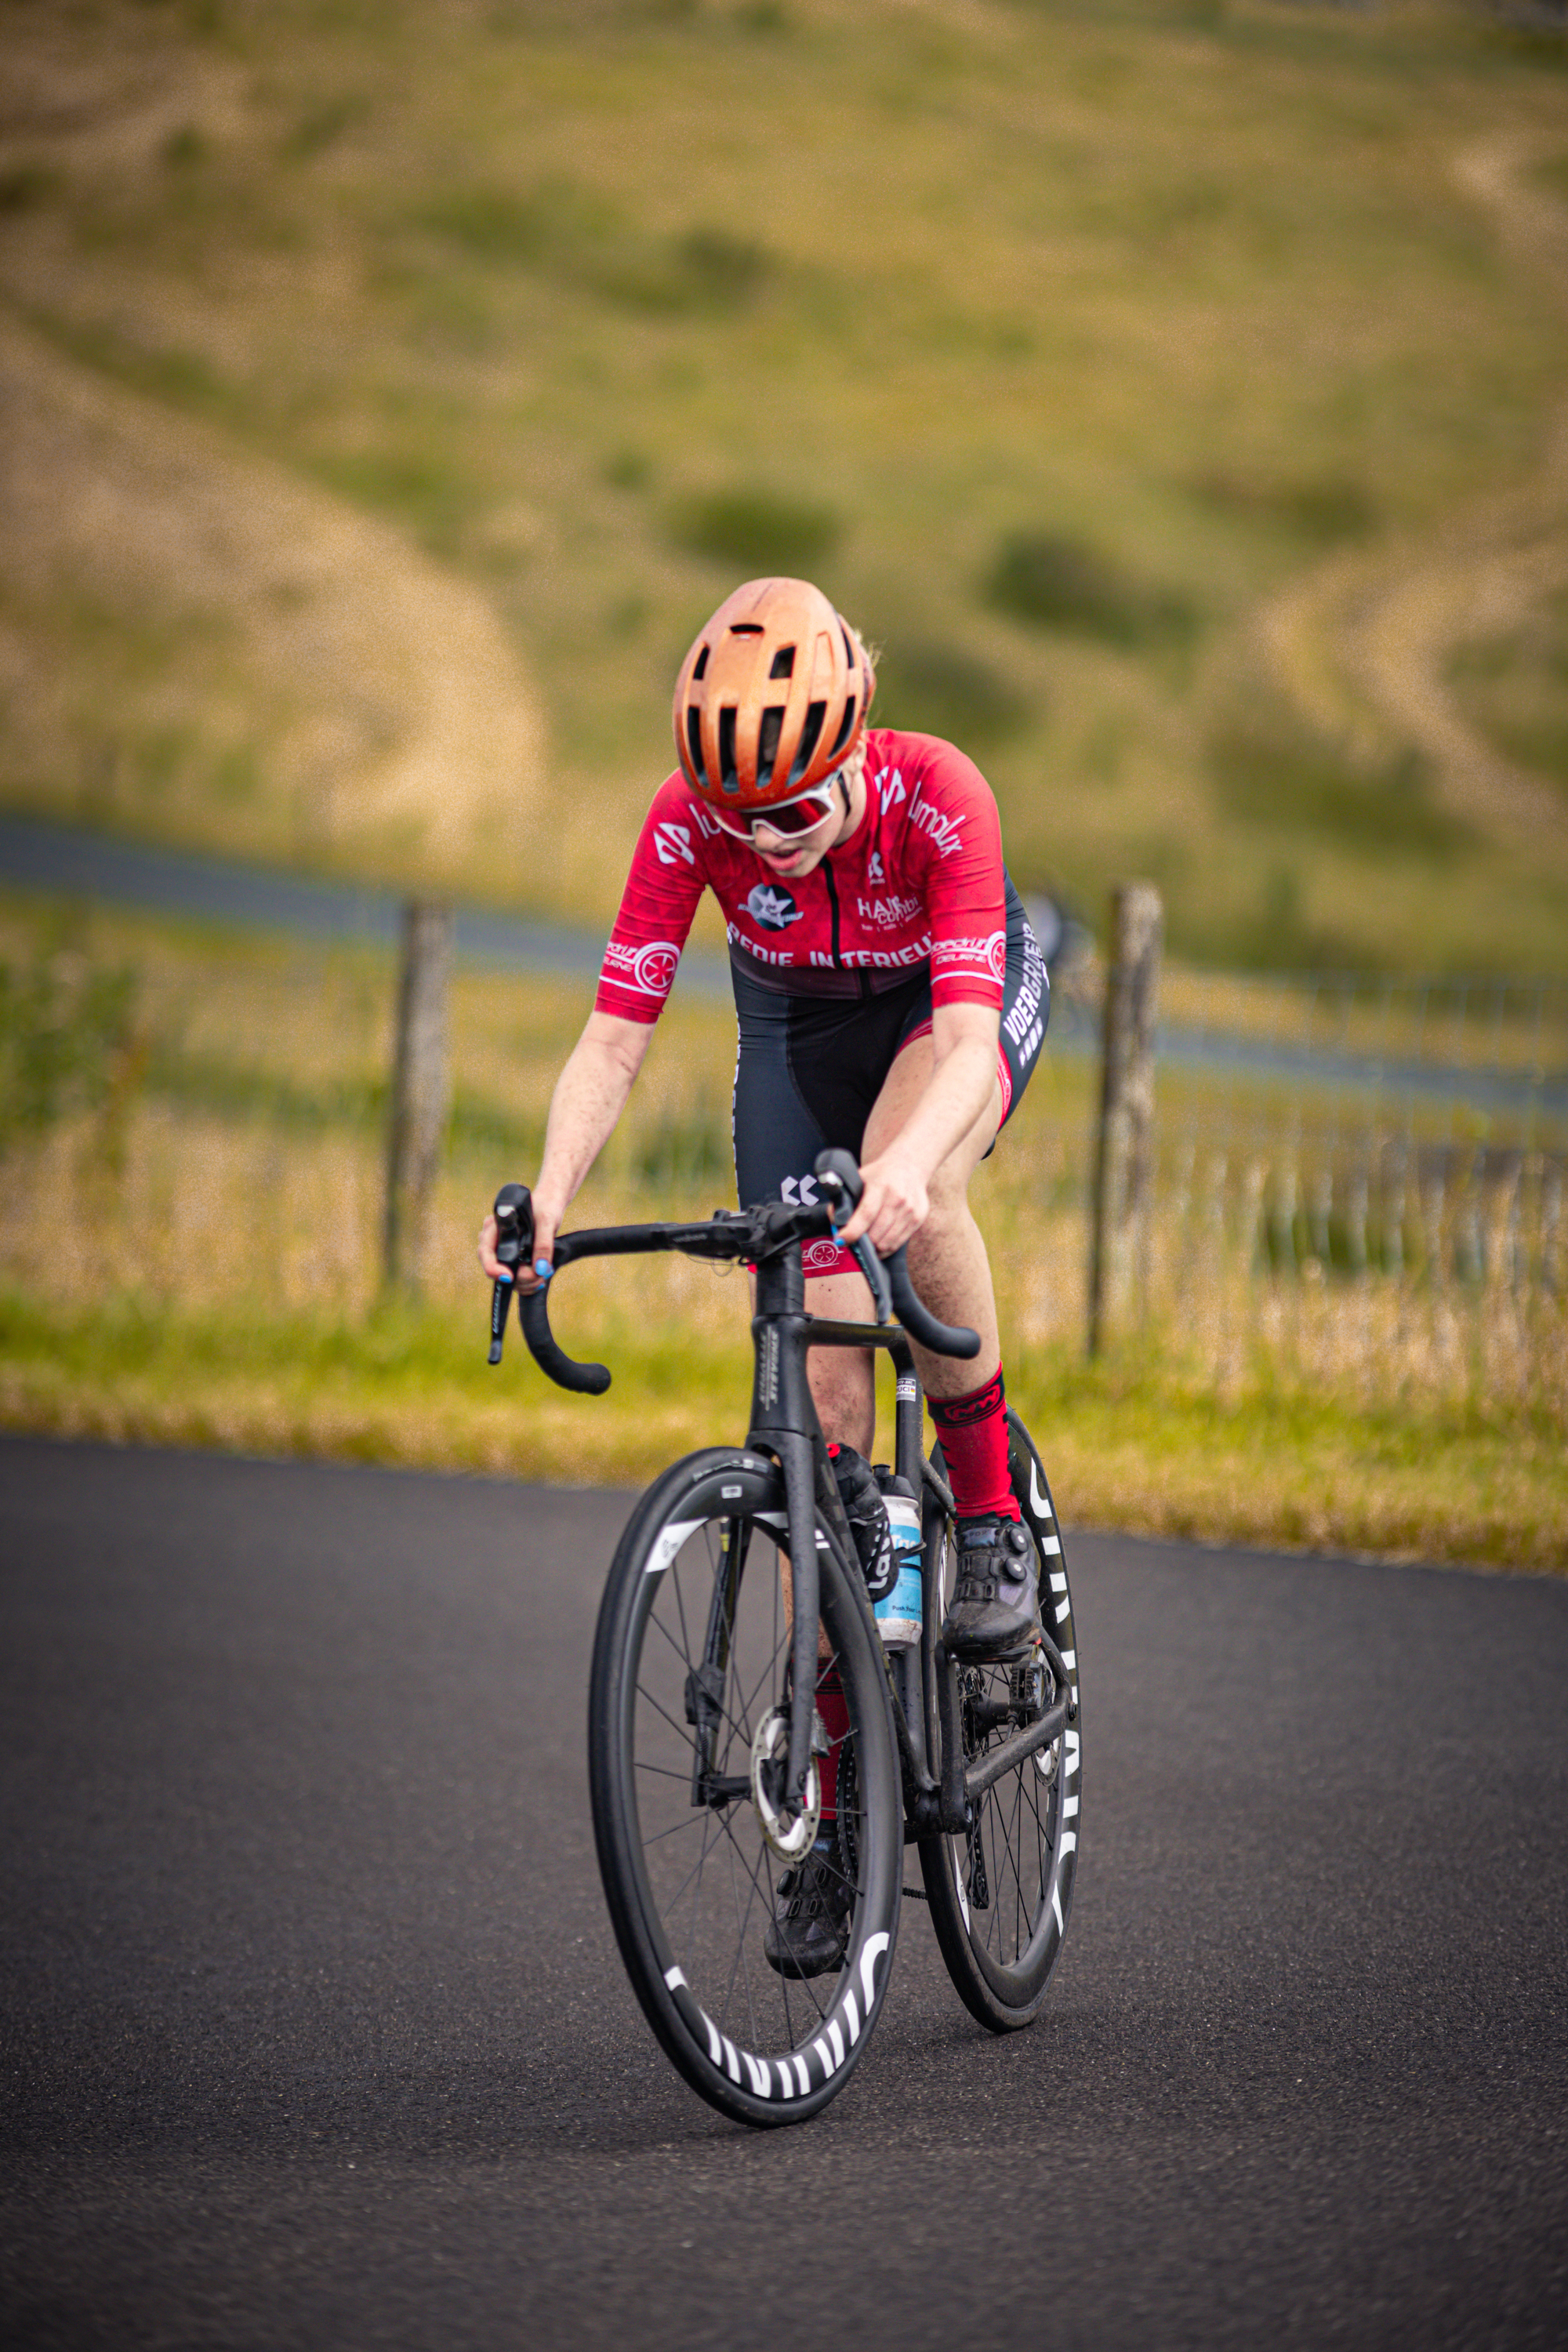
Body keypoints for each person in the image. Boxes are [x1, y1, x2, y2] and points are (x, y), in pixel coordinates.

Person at [478, 575, 1049, 1965]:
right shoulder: (690, 823)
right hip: (795, 1036)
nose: (762, 843)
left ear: (855, 752)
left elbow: (970, 1044)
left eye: (791, 812)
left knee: (918, 1199)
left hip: (941, 1016)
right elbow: (614, 1039)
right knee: (828, 1439)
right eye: (735, 819)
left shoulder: (938, 793)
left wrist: (910, 1161)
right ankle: (842, 1803)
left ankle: (987, 1518)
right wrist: (546, 1202)